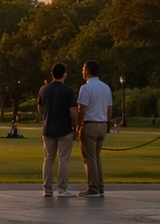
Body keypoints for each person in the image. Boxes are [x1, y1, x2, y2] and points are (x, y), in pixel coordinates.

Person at [37, 62, 78, 198]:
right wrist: (76, 126)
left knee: (48, 159)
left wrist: (46, 116)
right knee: (63, 159)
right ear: (64, 75)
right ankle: (62, 188)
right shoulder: (68, 91)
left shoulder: (43, 90)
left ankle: (47, 189)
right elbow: (73, 111)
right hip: (64, 128)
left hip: (48, 128)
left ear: (52, 74)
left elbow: (40, 108)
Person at [75, 60, 112, 197]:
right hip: (102, 123)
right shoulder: (106, 87)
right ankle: (100, 186)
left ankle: (93, 188)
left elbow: (82, 109)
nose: (82, 71)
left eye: (83, 69)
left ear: (88, 71)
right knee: (96, 157)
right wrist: (106, 123)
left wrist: (78, 127)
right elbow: (110, 108)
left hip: (90, 124)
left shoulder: (86, 88)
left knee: (89, 158)